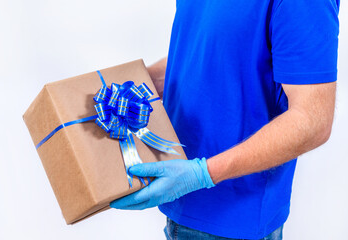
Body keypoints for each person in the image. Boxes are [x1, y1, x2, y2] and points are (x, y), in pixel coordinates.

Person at [110, 0, 340, 239]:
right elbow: (210, 46)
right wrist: (133, 85)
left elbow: (313, 121)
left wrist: (201, 174)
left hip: (234, 222)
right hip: (178, 201)